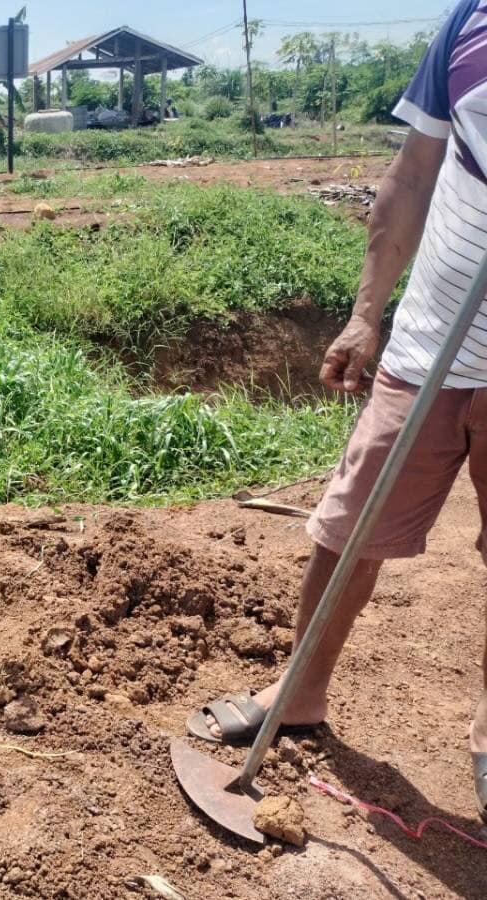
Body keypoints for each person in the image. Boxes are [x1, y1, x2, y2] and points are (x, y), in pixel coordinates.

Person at [185, 0, 487, 824]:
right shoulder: (469, 25)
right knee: (347, 526)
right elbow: (413, 175)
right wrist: (366, 312)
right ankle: (300, 691)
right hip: (430, 346)